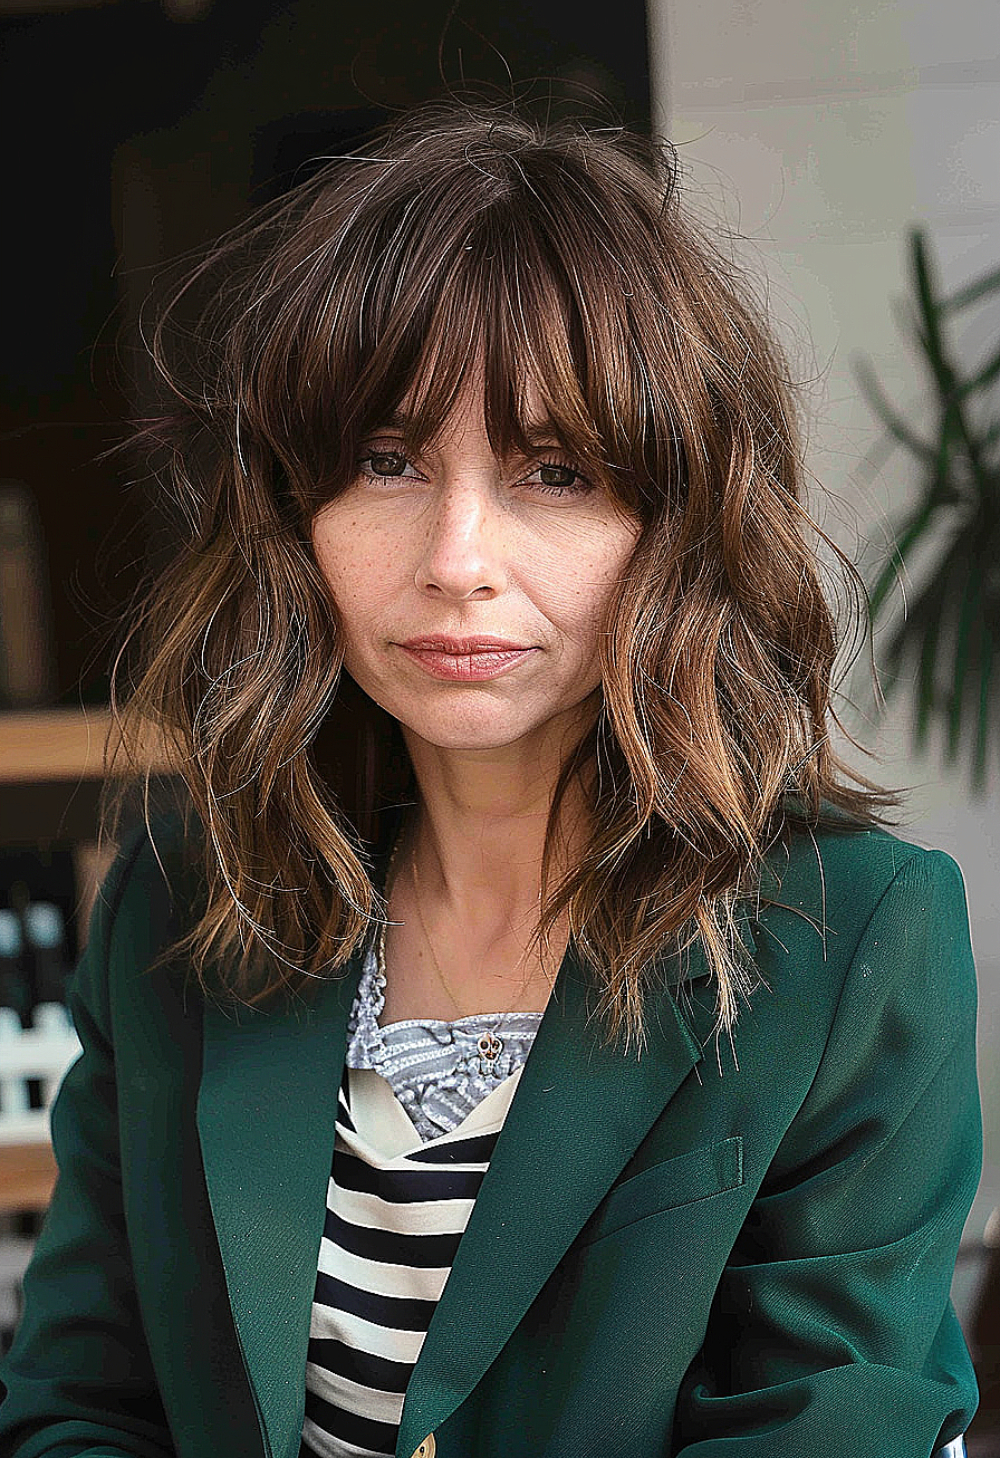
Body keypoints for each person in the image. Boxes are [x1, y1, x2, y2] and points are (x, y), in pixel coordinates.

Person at [0, 96, 981, 1458]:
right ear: (298, 507)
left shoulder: (852, 937)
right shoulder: (176, 912)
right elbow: (75, 1409)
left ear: (672, 523)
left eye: (557, 471)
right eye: (388, 462)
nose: (458, 557)